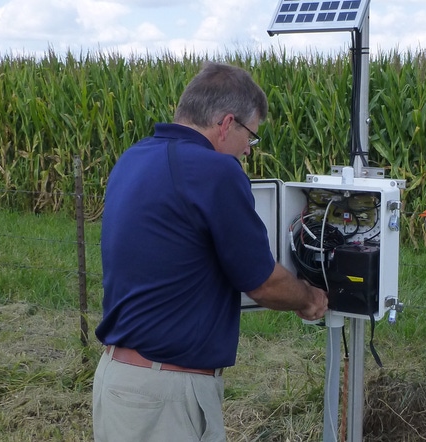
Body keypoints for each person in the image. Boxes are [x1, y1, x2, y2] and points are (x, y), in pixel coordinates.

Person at [92, 61, 329, 442]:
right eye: (250, 137)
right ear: (226, 124)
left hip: (119, 381)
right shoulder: (215, 170)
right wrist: (309, 298)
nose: (248, 152)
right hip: (165, 397)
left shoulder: (133, 158)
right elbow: (264, 284)